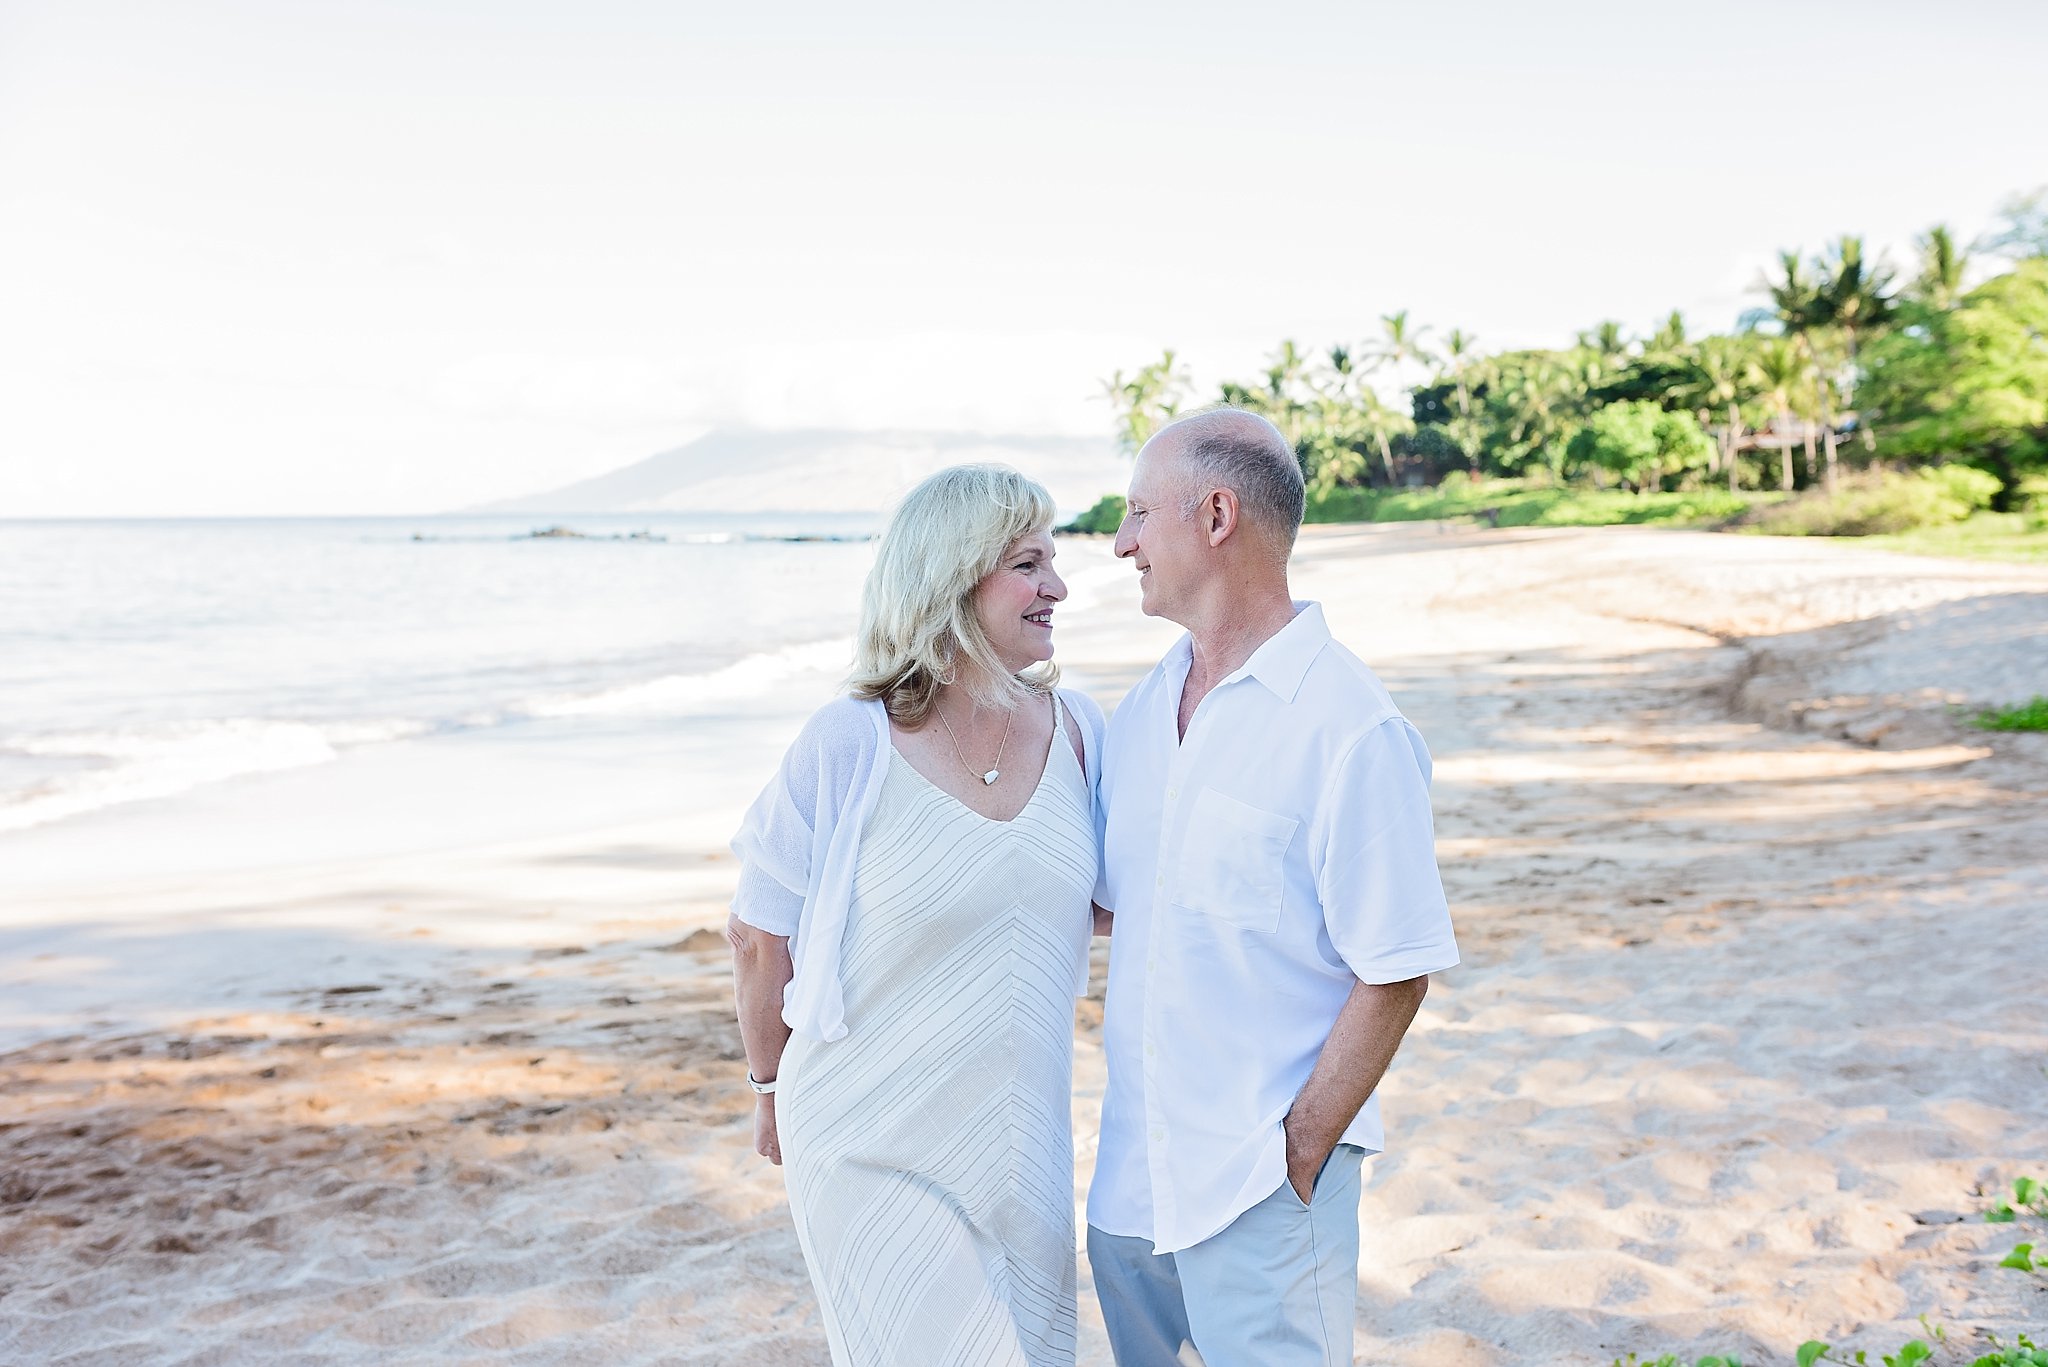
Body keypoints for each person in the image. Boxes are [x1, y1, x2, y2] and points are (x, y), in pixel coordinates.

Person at [1086, 409, 1460, 1367]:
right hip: (1130, 1184)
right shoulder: (1138, 714)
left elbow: (1399, 971)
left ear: (1216, 516)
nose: (1122, 542)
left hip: (1259, 1188)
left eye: (1137, 513)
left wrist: (1295, 1157)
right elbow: (1112, 902)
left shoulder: (1350, 729)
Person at [726, 464, 1106, 1367]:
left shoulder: (1083, 731)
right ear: (953, 577)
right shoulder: (849, 741)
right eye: (1027, 563)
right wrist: (770, 1085)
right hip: (868, 1141)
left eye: (1052, 560)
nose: (1056, 585)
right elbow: (756, 933)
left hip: (1025, 1143)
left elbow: (1119, 903)